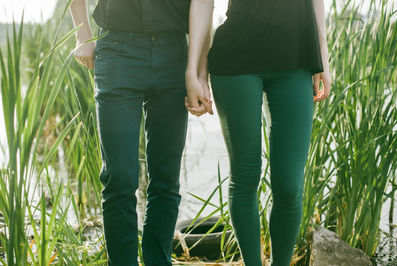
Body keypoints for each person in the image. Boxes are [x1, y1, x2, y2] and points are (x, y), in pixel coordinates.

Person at [185, 0, 332, 265]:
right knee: (245, 175)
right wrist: (196, 69)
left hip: (296, 55)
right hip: (236, 58)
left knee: (289, 185)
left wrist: (322, 54)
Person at [69, 0, 203, 265]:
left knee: (166, 178)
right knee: (119, 177)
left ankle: (158, 260)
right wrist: (82, 35)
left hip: (173, 52)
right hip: (118, 51)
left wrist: (196, 69)